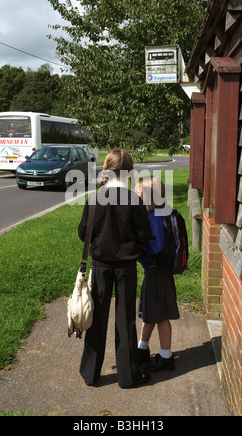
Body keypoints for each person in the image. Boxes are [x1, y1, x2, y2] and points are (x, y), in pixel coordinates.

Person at [78, 149, 152, 388]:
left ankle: (91, 373)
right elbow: (144, 235)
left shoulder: (94, 200)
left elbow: (83, 233)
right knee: (125, 319)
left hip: (100, 265)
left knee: (96, 318)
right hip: (126, 267)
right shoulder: (134, 201)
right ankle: (128, 376)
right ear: (129, 171)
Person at [135, 176, 180, 372]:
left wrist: (138, 247)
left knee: (160, 315)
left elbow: (156, 246)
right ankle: (142, 347)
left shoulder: (154, 217)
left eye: (138, 191)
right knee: (151, 312)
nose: (135, 194)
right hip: (157, 272)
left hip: (157, 272)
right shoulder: (158, 212)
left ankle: (166, 356)